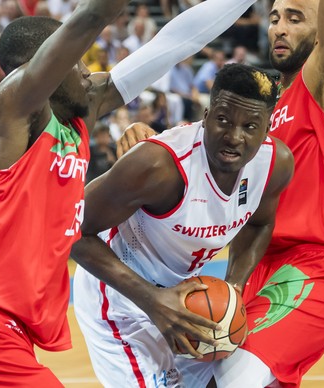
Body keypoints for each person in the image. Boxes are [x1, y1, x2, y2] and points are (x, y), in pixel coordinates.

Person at [0, 0, 266, 385]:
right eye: (77, 60)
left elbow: (172, 44)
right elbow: (92, 15)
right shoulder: (8, 116)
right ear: (45, 65)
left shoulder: (79, 114)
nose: (89, 71)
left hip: (6, 336)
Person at [119, 0, 324, 386]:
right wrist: (143, 134)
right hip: (253, 266)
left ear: (320, 34)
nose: (280, 27)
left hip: (312, 268)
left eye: (296, 18)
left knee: (233, 380)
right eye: (275, 18)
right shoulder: (258, 115)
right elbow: (197, 148)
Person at [72, 64, 294, 387]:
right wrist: (152, 300)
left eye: (250, 126)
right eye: (223, 120)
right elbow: (72, 226)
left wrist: (234, 286)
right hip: (118, 300)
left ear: (267, 128)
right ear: (205, 115)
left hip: (182, 298)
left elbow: (259, 224)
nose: (234, 136)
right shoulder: (159, 166)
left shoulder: (275, 165)